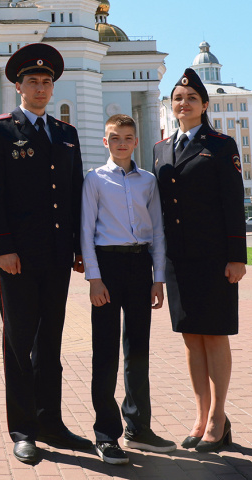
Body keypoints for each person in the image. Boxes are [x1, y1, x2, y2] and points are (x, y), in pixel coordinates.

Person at [0, 42, 91, 466]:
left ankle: (51, 423)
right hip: (17, 259)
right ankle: (23, 430)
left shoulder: (65, 135)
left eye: (47, 82)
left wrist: (79, 249)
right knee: (18, 342)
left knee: (51, 344)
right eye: (33, 82)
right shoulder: (0, 130)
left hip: (58, 256)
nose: (41, 88)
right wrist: (2, 247)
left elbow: (74, 194)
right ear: (19, 87)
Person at [152, 67, 247, 453]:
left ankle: (218, 418)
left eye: (191, 98)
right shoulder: (160, 148)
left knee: (215, 334)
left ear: (204, 105)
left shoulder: (222, 145)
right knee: (191, 339)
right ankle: (200, 413)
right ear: (171, 105)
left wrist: (236, 256)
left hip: (213, 258)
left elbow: (233, 203)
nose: (184, 103)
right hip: (178, 260)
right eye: (178, 98)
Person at [81, 114, 174, 465]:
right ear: (106, 142)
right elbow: (85, 230)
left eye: (128, 137)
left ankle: (139, 427)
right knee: (104, 352)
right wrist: (94, 279)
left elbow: (159, 230)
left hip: (139, 268)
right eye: (115, 137)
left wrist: (158, 278)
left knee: (138, 350)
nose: (122, 143)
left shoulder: (148, 181)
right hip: (107, 267)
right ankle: (106, 434)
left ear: (136, 141)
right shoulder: (94, 179)